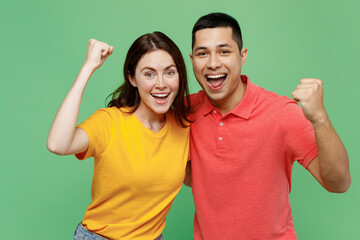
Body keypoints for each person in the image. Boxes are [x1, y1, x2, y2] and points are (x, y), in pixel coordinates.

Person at [186, 12, 351, 239]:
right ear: (192, 59)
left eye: (224, 51)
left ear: (242, 56)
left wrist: (320, 118)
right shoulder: (185, 112)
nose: (213, 63)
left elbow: (339, 183)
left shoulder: (281, 113)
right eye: (202, 53)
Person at [47, 31, 191, 240]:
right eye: (149, 74)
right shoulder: (110, 122)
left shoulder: (184, 126)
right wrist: (88, 68)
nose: (161, 84)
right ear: (132, 78)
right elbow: (57, 144)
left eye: (170, 72)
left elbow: (195, 178)